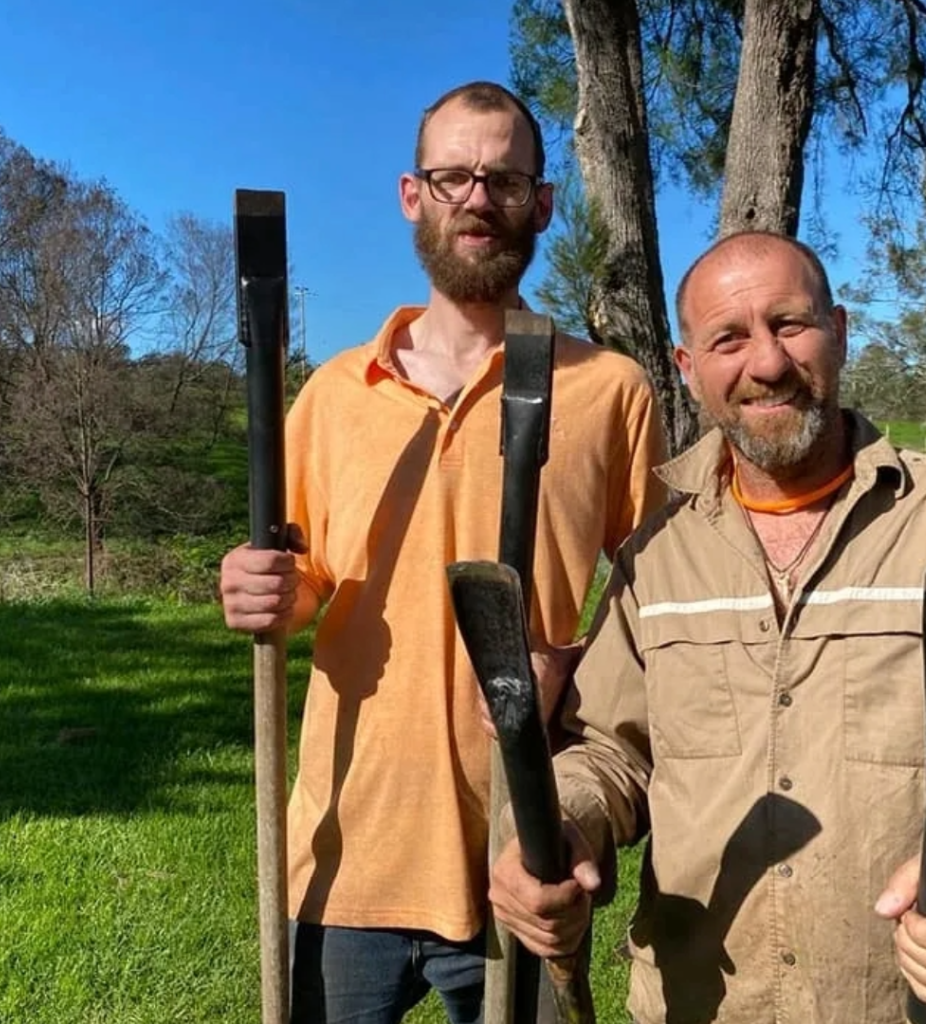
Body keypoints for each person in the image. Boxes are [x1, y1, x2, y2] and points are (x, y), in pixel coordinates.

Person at [219, 80, 667, 1024]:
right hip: (349, 852)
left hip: (522, 851)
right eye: (452, 175)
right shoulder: (335, 395)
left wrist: (579, 664)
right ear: (411, 194)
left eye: (503, 179)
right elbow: (303, 574)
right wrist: (265, 590)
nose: (476, 197)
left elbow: (651, 596)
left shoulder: (611, 392)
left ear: (542, 203)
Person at [489, 230, 926, 1024]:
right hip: (699, 1003)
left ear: (840, 331)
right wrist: (562, 826)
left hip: (899, 1004)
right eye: (729, 339)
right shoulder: (659, 557)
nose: (767, 363)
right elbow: (611, 748)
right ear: (689, 369)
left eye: (791, 324)